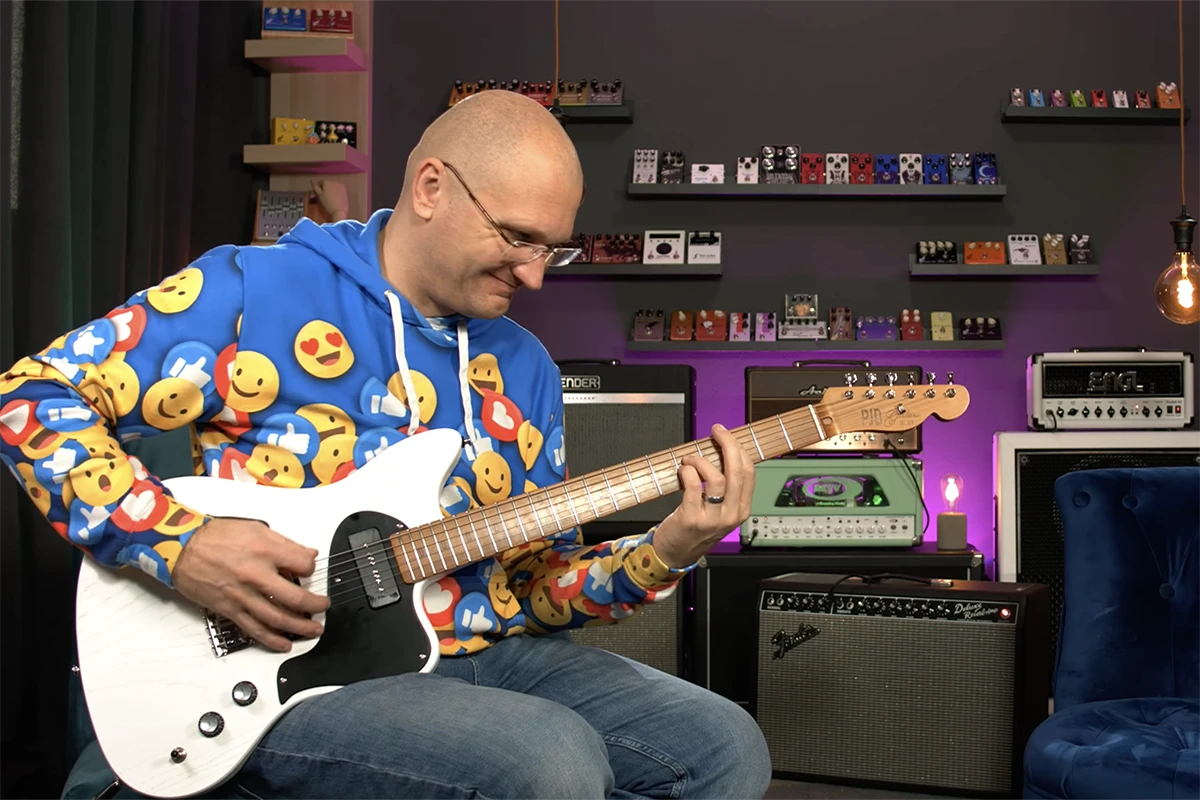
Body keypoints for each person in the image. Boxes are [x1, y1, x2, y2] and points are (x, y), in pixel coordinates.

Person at [0, 90, 772, 799]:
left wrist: (669, 547)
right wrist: (181, 543)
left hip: (482, 652)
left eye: (553, 250)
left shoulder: (526, 366)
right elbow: (30, 397)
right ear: (432, 188)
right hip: (296, 669)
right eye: (518, 238)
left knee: (724, 746)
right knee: (547, 758)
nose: (536, 277)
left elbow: (533, 587)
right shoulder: (252, 292)